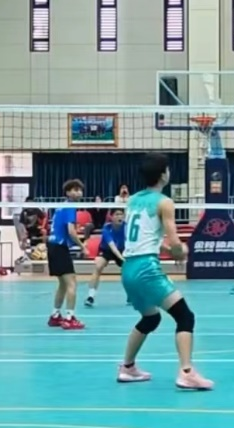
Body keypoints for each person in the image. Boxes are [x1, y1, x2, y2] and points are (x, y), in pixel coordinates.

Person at [117, 152, 213, 390]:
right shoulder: (164, 202)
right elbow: (174, 239)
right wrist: (181, 251)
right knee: (185, 317)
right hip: (146, 269)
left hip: (128, 268)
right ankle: (187, 372)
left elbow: (147, 236)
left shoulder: (133, 200)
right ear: (163, 175)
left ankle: (127, 367)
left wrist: (168, 249)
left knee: (151, 318)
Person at [46, 179, 86, 329]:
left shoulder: (61, 206)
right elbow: (71, 231)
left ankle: (55, 315)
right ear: (68, 192)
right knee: (72, 283)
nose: (78, 193)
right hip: (59, 247)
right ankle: (70, 318)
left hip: (52, 245)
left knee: (63, 284)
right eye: (74, 190)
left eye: (80, 190)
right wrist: (82, 246)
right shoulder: (70, 207)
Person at [85, 209, 126, 307]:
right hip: (107, 249)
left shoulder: (127, 227)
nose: (119, 217)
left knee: (128, 270)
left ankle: (131, 294)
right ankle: (91, 296)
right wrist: (123, 260)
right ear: (111, 217)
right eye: (116, 214)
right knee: (98, 266)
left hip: (122, 250)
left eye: (121, 214)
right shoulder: (106, 228)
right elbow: (112, 247)